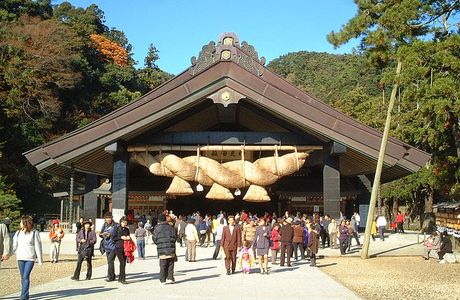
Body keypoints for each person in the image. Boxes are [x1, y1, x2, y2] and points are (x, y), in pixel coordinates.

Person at [12, 215, 43, 300]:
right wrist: (9, 254)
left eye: (21, 222)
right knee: (23, 277)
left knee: (26, 276)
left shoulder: (34, 233)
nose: (20, 223)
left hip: (30, 258)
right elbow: (14, 246)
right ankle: (26, 293)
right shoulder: (18, 233)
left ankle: (23, 297)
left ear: (25, 223)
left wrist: (40, 260)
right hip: (20, 257)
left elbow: (38, 246)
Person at [153, 214, 177, 284]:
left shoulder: (157, 228)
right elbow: (175, 237)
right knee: (170, 264)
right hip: (171, 248)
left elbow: (154, 238)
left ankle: (162, 279)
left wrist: (159, 244)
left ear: (159, 220)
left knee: (163, 264)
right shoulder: (171, 227)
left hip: (162, 249)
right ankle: (170, 278)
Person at [98, 212, 118, 282]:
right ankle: (112, 275)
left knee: (110, 261)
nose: (108, 219)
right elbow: (101, 233)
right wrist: (101, 234)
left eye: (109, 218)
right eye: (107, 218)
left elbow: (116, 234)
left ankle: (110, 276)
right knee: (109, 262)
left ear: (112, 218)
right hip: (106, 246)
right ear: (105, 219)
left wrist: (110, 235)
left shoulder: (116, 225)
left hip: (113, 246)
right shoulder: (105, 225)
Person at [111, 216, 131, 284]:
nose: (124, 224)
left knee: (123, 263)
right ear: (120, 222)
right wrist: (121, 237)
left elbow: (128, 236)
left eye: (125, 222)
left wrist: (128, 237)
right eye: (123, 222)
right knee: (122, 262)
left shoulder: (127, 229)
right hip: (118, 247)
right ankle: (123, 279)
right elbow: (113, 238)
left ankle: (120, 278)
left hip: (125, 248)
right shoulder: (116, 228)